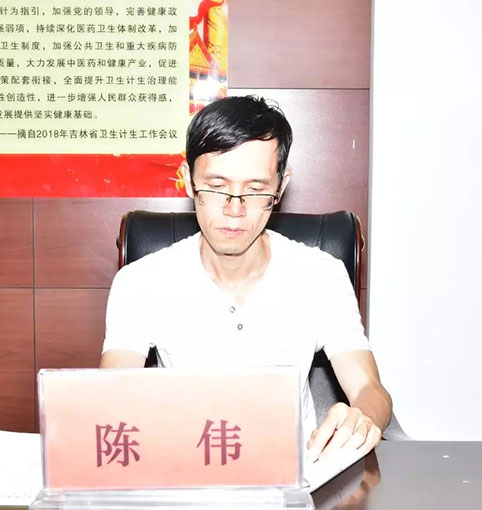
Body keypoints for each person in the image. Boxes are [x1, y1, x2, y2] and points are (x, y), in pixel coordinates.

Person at [101, 95, 392, 462]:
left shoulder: (321, 276)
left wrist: (363, 418)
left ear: (281, 187)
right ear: (188, 179)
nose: (234, 210)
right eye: (216, 187)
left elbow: (369, 389)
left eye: (255, 190)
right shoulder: (141, 282)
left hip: (295, 472)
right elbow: (109, 396)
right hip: (184, 467)